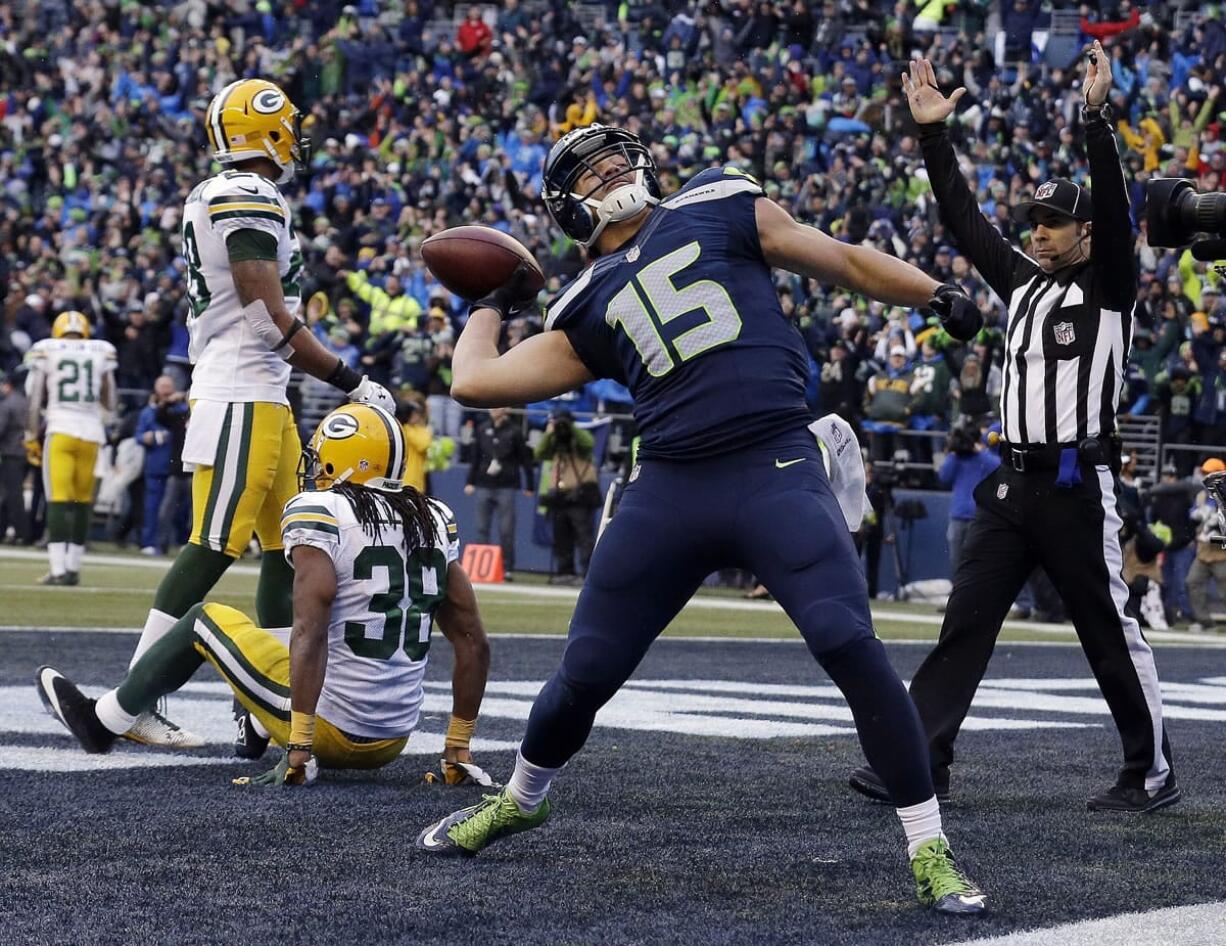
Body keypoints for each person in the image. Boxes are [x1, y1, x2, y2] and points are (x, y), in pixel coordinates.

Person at [415, 123, 989, 916]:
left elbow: (844, 259)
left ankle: (930, 848)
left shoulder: (719, 200)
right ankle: (521, 797)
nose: (610, 170)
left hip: (774, 462)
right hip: (671, 486)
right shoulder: (584, 302)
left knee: (848, 642)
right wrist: (489, 300)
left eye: (616, 157)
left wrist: (932, 291)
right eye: (588, 172)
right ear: (566, 210)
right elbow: (477, 382)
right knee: (586, 670)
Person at [850, 48, 1178, 814]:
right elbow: (964, 221)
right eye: (1034, 221)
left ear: (1089, 232)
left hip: (1074, 482)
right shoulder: (1024, 284)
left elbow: (1116, 207)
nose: (1037, 233)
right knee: (965, 619)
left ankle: (1150, 771)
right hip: (1010, 483)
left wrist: (1095, 119)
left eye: (1054, 223)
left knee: (1105, 631)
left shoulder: (1109, 286)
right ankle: (921, 759)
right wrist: (935, 137)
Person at [94, 78, 396, 749]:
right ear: (264, 130)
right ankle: (133, 696)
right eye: (288, 124)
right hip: (239, 388)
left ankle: (271, 700)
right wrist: (349, 378)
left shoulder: (246, 194)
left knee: (292, 547)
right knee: (214, 542)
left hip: (265, 391)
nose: (298, 136)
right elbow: (264, 315)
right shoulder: (245, 193)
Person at [35, 404, 494, 789]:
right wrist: (457, 744)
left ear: (346, 460)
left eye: (321, 459)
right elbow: (472, 641)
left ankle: (105, 720)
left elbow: (311, 628)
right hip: (393, 740)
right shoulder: (432, 516)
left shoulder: (324, 510)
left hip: (330, 730)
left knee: (203, 620)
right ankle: (255, 727)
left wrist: (299, 747)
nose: (314, 469)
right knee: (281, 647)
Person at [23, 311, 116, 585]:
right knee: (83, 501)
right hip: (91, 433)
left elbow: (35, 395)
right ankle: (74, 567)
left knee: (58, 498)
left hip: (60, 429)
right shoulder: (101, 350)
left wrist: (30, 434)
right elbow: (110, 399)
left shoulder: (46, 349)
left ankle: (59, 569)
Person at [464, 406, 535, 576]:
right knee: (482, 527)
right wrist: (470, 481)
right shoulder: (482, 428)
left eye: (500, 406)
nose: (495, 410)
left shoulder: (515, 431)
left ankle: (507, 567)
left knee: (506, 530)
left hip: (506, 484)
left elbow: (525, 459)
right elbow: (475, 457)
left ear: (507, 409)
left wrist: (529, 484)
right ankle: (480, 568)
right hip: (484, 483)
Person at [535, 408, 599, 583]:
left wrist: (571, 428)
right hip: (560, 496)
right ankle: (565, 572)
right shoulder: (555, 441)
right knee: (561, 536)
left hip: (580, 494)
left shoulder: (580, 440)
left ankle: (587, 573)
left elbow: (589, 443)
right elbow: (539, 453)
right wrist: (550, 434)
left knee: (584, 536)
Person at [938, 423, 999, 575]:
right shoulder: (956, 459)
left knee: (980, 560)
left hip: (979, 516)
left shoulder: (986, 459)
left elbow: (999, 468)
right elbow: (944, 477)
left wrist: (979, 452)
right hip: (959, 516)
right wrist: (953, 454)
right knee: (956, 561)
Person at [135, 376, 187, 555]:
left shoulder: (180, 409)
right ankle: (149, 542)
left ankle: (177, 541)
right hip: (156, 465)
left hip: (176, 467)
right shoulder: (149, 412)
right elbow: (139, 436)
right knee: (153, 507)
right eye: (162, 386)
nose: (166, 390)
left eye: (169, 386)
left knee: (180, 510)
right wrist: (146, 438)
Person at [1187, 458, 1226, 632]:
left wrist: (1214, 523)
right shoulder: (1202, 494)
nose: (1204, 475)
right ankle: (1204, 621)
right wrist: (1197, 514)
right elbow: (1194, 514)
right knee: (1193, 582)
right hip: (1203, 550)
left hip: (1221, 551)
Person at [0, 370, 31, 543]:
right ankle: (5, 530)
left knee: (12, 495)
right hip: (26, 453)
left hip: (11, 452)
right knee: (11, 493)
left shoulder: (7, 405)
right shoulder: (26, 402)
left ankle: (22, 533)